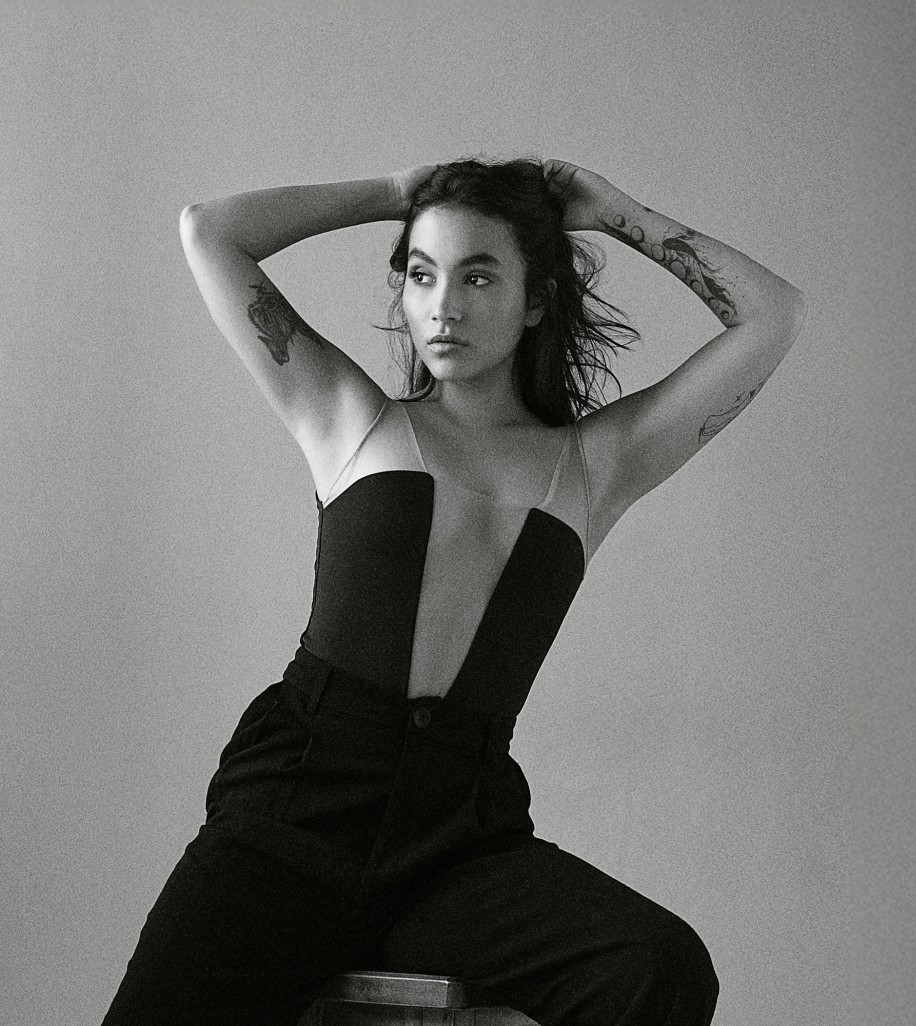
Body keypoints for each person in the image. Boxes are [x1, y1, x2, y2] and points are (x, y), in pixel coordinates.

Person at [103, 157, 806, 1025]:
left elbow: (773, 315)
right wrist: (395, 194)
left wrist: (617, 212)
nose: (444, 306)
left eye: (478, 276)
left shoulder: (593, 466)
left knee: (659, 965)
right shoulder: (352, 417)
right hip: (293, 822)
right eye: (422, 274)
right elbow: (210, 231)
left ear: (536, 299)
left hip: (455, 847)